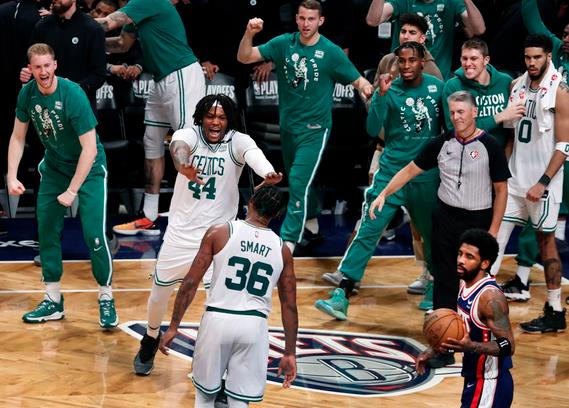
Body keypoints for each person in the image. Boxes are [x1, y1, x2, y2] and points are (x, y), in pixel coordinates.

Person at [132, 94, 283, 376]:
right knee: (158, 295)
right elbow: (178, 147)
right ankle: (151, 337)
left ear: (229, 120)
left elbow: (253, 154)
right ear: (201, 117)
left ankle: (210, 362)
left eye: (222, 117)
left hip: (219, 238)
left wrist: (268, 172)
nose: (215, 122)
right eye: (211, 116)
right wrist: (182, 165)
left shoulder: (238, 141)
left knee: (217, 305)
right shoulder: (188, 134)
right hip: (181, 233)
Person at [370, 90, 510, 366]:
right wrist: (384, 193)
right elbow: (409, 170)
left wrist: (493, 231)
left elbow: (501, 190)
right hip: (445, 218)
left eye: (461, 112)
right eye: (452, 112)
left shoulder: (490, 145)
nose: (456, 117)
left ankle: (483, 340)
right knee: (444, 281)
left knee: (475, 283)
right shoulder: (442, 143)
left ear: (474, 113)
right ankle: (444, 347)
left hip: (477, 222)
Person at [313, 41, 443, 321]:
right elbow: (373, 129)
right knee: (368, 229)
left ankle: (435, 284)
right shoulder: (389, 89)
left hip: (425, 174)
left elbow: (448, 128)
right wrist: (381, 96)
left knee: (431, 233)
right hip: (390, 173)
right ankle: (343, 292)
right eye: (401, 61)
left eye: (411, 60)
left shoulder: (438, 87)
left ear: (422, 62)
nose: (406, 66)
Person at [237, 0, 374, 253]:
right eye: (301, 18)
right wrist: (249, 33)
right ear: (296, 19)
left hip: (315, 130)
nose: (306, 23)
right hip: (289, 127)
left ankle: (286, 244)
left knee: (299, 181)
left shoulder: (331, 51)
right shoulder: (283, 44)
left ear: (320, 21)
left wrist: (367, 90)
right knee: (298, 179)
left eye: (311, 19)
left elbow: (358, 80)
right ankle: (311, 222)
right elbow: (244, 57)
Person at [7, 43, 118, 328]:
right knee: (47, 232)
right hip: (55, 167)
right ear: (30, 69)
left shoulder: (73, 94)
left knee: (94, 235)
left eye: (47, 65)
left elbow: (89, 149)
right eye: (37, 67)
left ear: (55, 65)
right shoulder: (27, 94)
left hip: (89, 169)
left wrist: (72, 190)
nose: (43, 71)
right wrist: (11, 175)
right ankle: (53, 299)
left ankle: (106, 297)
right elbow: (18, 137)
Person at [159, 186, 298, 407]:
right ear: (277, 214)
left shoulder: (219, 232)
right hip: (254, 326)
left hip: (217, 321)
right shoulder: (283, 250)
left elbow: (190, 283)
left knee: (204, 397)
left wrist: (174, 326)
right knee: (239, 401)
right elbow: (289, 305)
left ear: (250, 202)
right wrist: (290, 352)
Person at [96, 0, 206, 235]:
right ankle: (149, 215)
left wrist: (76, 28)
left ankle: (199, 214)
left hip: (181, 74)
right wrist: (88, 41)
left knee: (188, 144)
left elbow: (108, 23)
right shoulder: (137, 9)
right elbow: (122, 44)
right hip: (161, 79)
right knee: (152, 143)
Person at [490, 34, 569, 333]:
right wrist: (503, 174)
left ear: (548, 56)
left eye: (537, 57)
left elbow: (564, 145)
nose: (532, 62)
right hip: (515, 180)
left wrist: (543, 182)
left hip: (543, 183)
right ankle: (480, 305)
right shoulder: (517, 85)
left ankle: (555, 310)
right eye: (528, 57)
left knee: (546, 243)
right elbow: (512, 137)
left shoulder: (560, 91)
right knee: (494, 238)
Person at [416, 229, 515, 408]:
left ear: (484, 263)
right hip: (474, 379)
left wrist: (472, 347)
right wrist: (433, 349)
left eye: (469, 257)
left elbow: (508, 345)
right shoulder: (464, 282)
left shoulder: (490, 298)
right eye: (460, 253)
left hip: (490, 384)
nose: (461, 260)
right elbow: (462, 329)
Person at [20, 0, 106, 111]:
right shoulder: (42, 26)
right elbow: (29, 62)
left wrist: (74, 88)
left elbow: (99, 74)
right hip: (45, 106)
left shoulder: (92, 29)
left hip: (78, 105)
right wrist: (27, 72)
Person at [365, 0, 486, 79]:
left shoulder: (451, 2)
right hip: (401, 77)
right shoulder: (403, 1)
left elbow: (479, 29)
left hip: (437, 78)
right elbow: (372, 20)